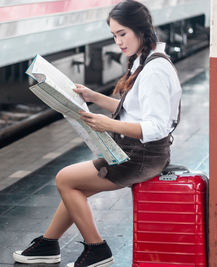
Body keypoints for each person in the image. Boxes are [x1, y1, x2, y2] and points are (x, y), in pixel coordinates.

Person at [13, 0, 182, 266]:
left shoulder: (155, 70)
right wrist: (93, 97)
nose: (119, 42)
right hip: (136, 152)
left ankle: (97, 250)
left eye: (122, 33)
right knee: (75, 185)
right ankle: (48, 244)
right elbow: (133, 110)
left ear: (141, 30)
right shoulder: (144, 61)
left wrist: (108, 125)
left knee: (65, 179)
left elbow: (157, 126)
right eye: (114, 35)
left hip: (141, 156)